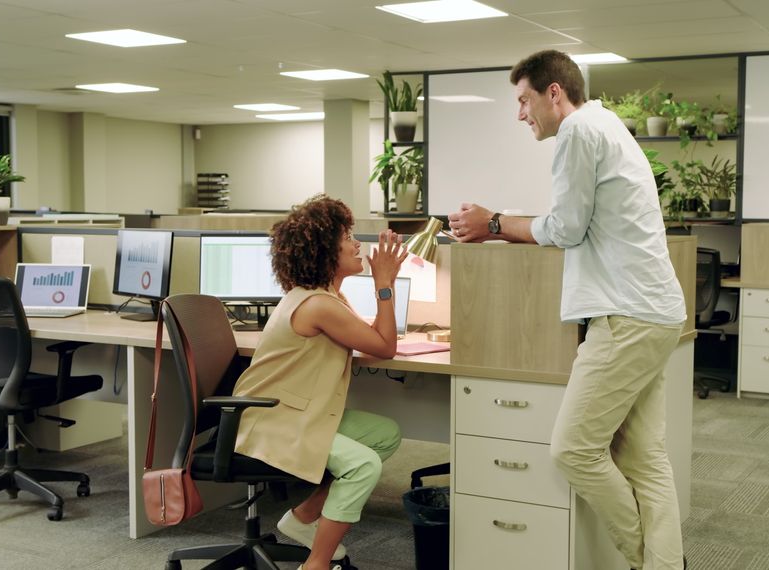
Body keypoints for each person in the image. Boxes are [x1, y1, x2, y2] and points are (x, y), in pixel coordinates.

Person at [447, 50, 687, 570]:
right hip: (656, 312)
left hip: (625, 315)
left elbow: (566, 228)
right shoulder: (607, 125)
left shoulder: (578, 131)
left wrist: (494, 224)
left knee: (573, 449)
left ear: (554, 93)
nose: (520, 114)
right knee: (645, 458)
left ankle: (642, 555)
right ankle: (664, 564)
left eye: (523, 100)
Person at [231, 195, 407, 570]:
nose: (357, 244)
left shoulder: (328, 297)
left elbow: (375, 338)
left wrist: (384, 288)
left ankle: (304, 517)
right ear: (326, 251)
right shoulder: (318, 305)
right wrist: (383, 283)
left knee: (384, 434)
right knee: (363, 465)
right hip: (274, 422)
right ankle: (317, 563)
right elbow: (385, 346)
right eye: (347, 237)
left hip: (295, 413)